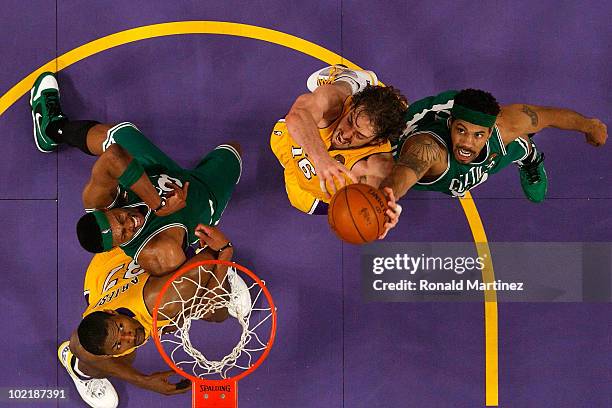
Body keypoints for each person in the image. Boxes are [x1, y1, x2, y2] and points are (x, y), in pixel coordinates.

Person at [30, 72, 241, 276]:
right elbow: (189, 283)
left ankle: (53, 129)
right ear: (116, 247)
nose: (130, 223)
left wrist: (158, 205)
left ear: (105, 210)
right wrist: (220, 251)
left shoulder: (98, 200)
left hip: (152, 171)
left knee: (120, 135)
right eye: (124, 233)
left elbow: (113, 157)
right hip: (200, 200)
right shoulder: (159, 253)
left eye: (120, 218)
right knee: (234, 151)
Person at [379, 88, 608, 236]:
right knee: (378, 171)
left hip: (488, 143)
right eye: (461, 131)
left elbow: (548, 116)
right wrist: (387, 197)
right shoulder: (428, 147)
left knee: (492, 158)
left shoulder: (506, 125)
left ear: (490, 132)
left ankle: (527, 154)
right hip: (408, 147)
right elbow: (408, 169)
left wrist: (590, 126)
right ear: (450, 125)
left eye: (478, 135)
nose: (467, 143)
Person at [58, 225, 239, 408]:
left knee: (217, 311)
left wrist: (218, 275)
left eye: (121, 327)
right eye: (118, 344)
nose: (129, 337)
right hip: (111, 279)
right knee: (106, 363)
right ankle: (76, 368)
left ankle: (223, 279)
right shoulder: (103, 330)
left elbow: (212, 255)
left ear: (111, 312)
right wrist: (143, 380)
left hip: (129, 251)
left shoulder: (165, 299)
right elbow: (77, 345)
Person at [270, 65, 407, 214]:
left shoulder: (375, 165)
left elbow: (375, 198)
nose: (346, 134)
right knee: (300, 116)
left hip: (314, 194)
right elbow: (297, 115)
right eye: (350, 121)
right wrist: (321, 158)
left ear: (376, 141)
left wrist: (379, 211)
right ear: (353, 105)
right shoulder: (336, 103)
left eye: (359, 135)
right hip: (288, 144)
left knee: (302, 203)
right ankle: (349, 80)